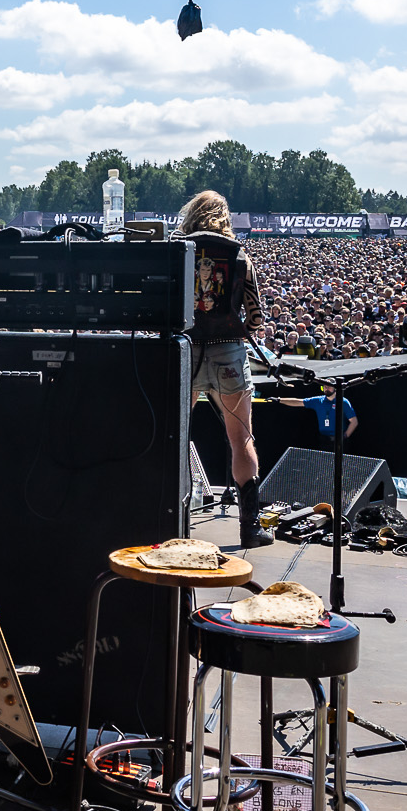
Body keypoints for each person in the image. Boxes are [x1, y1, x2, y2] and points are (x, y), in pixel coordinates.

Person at [177, 190, 269, 548]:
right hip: (228, 351)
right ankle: (250, 527)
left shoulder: (178, 250)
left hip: (184, 349)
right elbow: (256, 317)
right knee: (240, 438)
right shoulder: (239, 255)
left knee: (176, 437)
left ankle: (173, 519)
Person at [277, 384, 358, 449]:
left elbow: (354, 422)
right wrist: (279, 400)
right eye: (324, 387)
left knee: (340, 465)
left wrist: (344, 437)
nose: (326, 388)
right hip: (324, 440)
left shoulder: (343, 402)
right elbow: (298, 402)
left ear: (335, 388)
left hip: (340, 441)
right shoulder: (318, 401)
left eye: (329, 386)